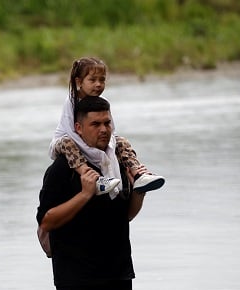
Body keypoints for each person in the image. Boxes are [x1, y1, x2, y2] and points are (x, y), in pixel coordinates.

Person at [36, 96, 147, 290]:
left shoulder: (118, 163)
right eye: (95, 123)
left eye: (107, 122)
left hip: (117, 266)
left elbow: (126, 216)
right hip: (75, 270)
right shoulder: (63, 169)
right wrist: (85, 194)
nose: (104, 129)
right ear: (78, 127)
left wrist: (138, 193)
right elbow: (47, 221)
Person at [49, 56, 165, 196]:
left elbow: (112, 130)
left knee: (120, 141)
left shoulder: (103, 102)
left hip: (89, 139)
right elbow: (71, 131)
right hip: (66, 141)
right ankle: (95, 179)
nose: (98, 84)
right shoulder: (71, 101)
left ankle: (137, 174)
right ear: (79, 82)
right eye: (92, 80)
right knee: (68, 143)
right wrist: (94, 153)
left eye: (102, 80)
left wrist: (109, 149)